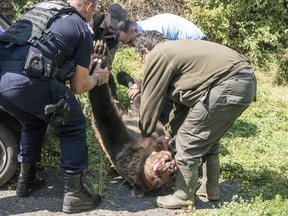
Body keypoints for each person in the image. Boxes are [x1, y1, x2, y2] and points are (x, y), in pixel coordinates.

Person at [0, 0, 109, 213]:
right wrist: (98, 77)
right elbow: (78, 86)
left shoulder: (43, 9)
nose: (92, 14)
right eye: (94, 10)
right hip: (26, 82)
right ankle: (74, 194)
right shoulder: (81, 27)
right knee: (73, 124)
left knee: (33, 120)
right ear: (88, 7)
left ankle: (27, 180)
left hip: (2, 81)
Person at [135, 31, 257, 209]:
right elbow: (181, 103)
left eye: (142, 59)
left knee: (186, 139)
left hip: (228, 83)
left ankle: (182, 195)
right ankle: (209, 188)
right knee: (208, 138)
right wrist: (168, 134)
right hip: (245, 82)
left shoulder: (159, 53)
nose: (144, 64)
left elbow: (150, 97)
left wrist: (146, 134)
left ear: (145, 51)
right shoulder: (177, 52)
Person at [116, 13, 207, 124]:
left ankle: (168, 126)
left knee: (168, 86)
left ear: (135, 30)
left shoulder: (151, 32)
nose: (131, 46)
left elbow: (159, 67)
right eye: (127, 44)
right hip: (184, 48)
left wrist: (141, 85)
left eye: (130, 41)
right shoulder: (143, 33)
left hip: (195, 46)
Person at [91, 2, 128, 99]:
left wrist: (104, 74)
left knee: (109, 81)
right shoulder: (93, 21)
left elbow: (107, 63)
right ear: (106, 15)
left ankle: (112, 104)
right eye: (113, 22)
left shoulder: (116, 39)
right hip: (80, 57)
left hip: (97, 61)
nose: (115, 27)